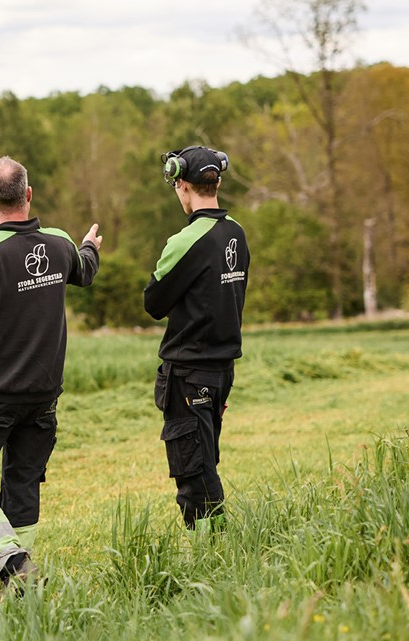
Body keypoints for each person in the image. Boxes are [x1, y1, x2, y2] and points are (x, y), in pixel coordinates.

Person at [0, 156, 102, 589]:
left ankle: (12, 564)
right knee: (24, 479)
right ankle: (21, 576)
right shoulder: (60, 243)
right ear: (28, 195)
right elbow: (84, 271)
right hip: (44, 395)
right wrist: (89, 245)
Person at [144, 145, 249, 532]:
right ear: (217, 180)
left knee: (193, 471)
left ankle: (215, 551)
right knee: (205, 460)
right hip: (222, 371)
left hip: (189, 373)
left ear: (182, 184)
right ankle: (219, 545)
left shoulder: (185, 240)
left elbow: (153, 302)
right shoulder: (236, 233)